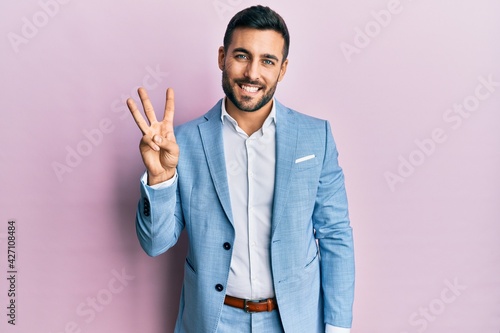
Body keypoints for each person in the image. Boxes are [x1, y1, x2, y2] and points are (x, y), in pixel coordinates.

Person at [127, 5, 354, 333]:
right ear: (222, 57)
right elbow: (155, 244)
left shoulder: (315, 137)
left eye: (267, 61)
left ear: (282, 69)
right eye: (242, 56)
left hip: (295, 322)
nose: (252, 73)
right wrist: (160, 180)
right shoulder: (184, 143)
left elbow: (335, 235)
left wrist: (337, 328)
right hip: (212, 321)